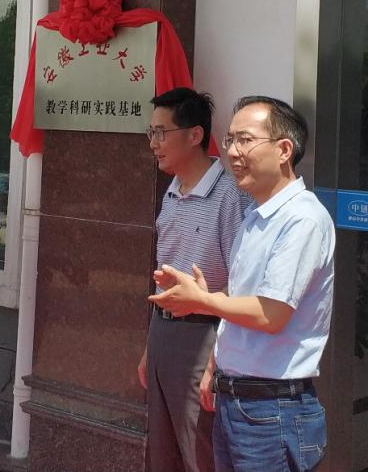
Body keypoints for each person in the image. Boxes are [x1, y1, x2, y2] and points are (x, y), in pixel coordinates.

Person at [150, 96, 335, 472]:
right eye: (231, 139)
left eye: (246, 140)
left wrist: (202, 301)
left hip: (273, 408)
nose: (233, 151)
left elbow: (271, 313)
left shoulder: (302, 219)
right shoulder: (255, 215)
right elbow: (241, 300)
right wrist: (214, 363)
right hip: (237, 399)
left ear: (284, 150)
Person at [139, 88, 246, 472]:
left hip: (205, 336)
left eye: (161, 133)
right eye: (151, 133)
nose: (154, 144)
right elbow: (164, 280)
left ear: (195, 135)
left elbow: (244, 282)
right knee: (163, 453)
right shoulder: (171, 192)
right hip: (164, 335)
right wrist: (151, 347)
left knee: (200, 452)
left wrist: (216, 360)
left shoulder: (230, 195)